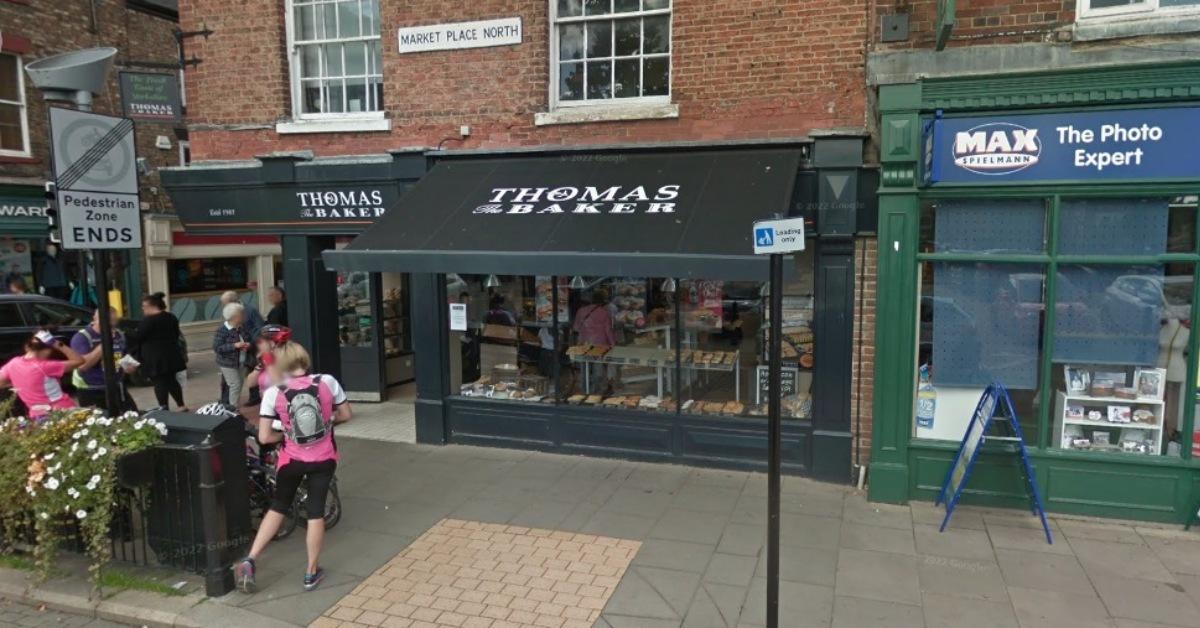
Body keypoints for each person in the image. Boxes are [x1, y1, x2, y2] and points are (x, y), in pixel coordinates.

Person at [234, 341, 352, 593]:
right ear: (303, 359)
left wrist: (286, 436)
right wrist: (327, 422)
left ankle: (250, 559)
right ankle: (311, 572)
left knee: (278, 507)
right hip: (324, 459)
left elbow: (264, 437)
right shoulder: (327, 382)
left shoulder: (274, 393)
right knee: (316, 512)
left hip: (291, 460)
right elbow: (345, 415)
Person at [0, 330, 85, 419]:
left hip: (37, 415)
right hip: (62, 411)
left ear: (27, 347)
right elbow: (79, 361)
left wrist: (19, 382)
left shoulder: (13, 363)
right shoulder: (45, 366)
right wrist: (59, 345)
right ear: (47, 350)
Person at [70, 307, 138, 412]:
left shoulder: (118, 335)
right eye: (106, 322)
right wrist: (105, 343)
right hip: (92, 389)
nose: (110, 326)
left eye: (113, 322)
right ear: (94, 319)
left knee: (132, 417)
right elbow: (83, 365)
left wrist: (129, 366)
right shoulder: (82, 337)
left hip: (116, 386)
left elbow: (123, 354)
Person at [129, 292, 188, 412]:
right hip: (171, 354)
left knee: (159, 382)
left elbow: (137, 336)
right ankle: (181, 405)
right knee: (171, 380)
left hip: (154, 357)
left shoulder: (149, 321)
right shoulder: (170, 317)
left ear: (151, 306)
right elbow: (176, 334)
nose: (143, 309)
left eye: (144, 306)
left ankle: (163, 406)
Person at [214, 302, 251, 407]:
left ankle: (232, 406)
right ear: (234, 316)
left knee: (238, 385)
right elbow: (217, 347)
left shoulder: (241, 327)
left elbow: (248, 338)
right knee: (235, 385)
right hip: (227, 363)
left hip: (241, 361)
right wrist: (234, 346)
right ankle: (233, 409)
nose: (243, 315)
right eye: (241, 313)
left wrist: (248, 344)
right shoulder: (222, 330)